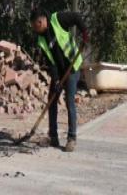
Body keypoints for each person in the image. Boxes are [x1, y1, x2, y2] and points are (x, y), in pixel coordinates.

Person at [31, 9, 89, 152]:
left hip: (72, 66)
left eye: (34, 26)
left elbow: (76, 16)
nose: (34, 30)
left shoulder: (58, 19)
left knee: (70, 101)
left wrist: (85, 32)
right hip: (60, 71)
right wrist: (56, 80)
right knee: (52, 98)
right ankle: (53, 137)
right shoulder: (41, 39)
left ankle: (71, 138)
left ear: (41, 21)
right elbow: (51, 62)